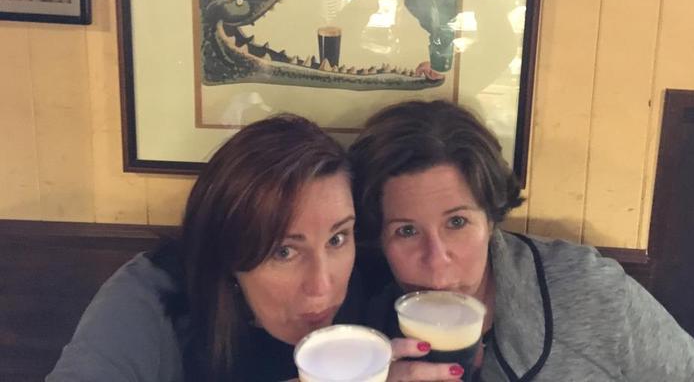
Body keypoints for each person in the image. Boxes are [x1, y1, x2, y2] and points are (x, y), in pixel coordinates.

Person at [47, 115, 457, 382]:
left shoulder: (384, 285)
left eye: (337, 239)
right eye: (284, 252)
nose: (322, 287)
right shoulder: (152, 294)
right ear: (227, 249)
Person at [348, 100, 694, 381]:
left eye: (457, 222)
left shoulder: (588, 292)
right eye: (407, 231)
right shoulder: (356, 328)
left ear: (492, 219)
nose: (437, 261)